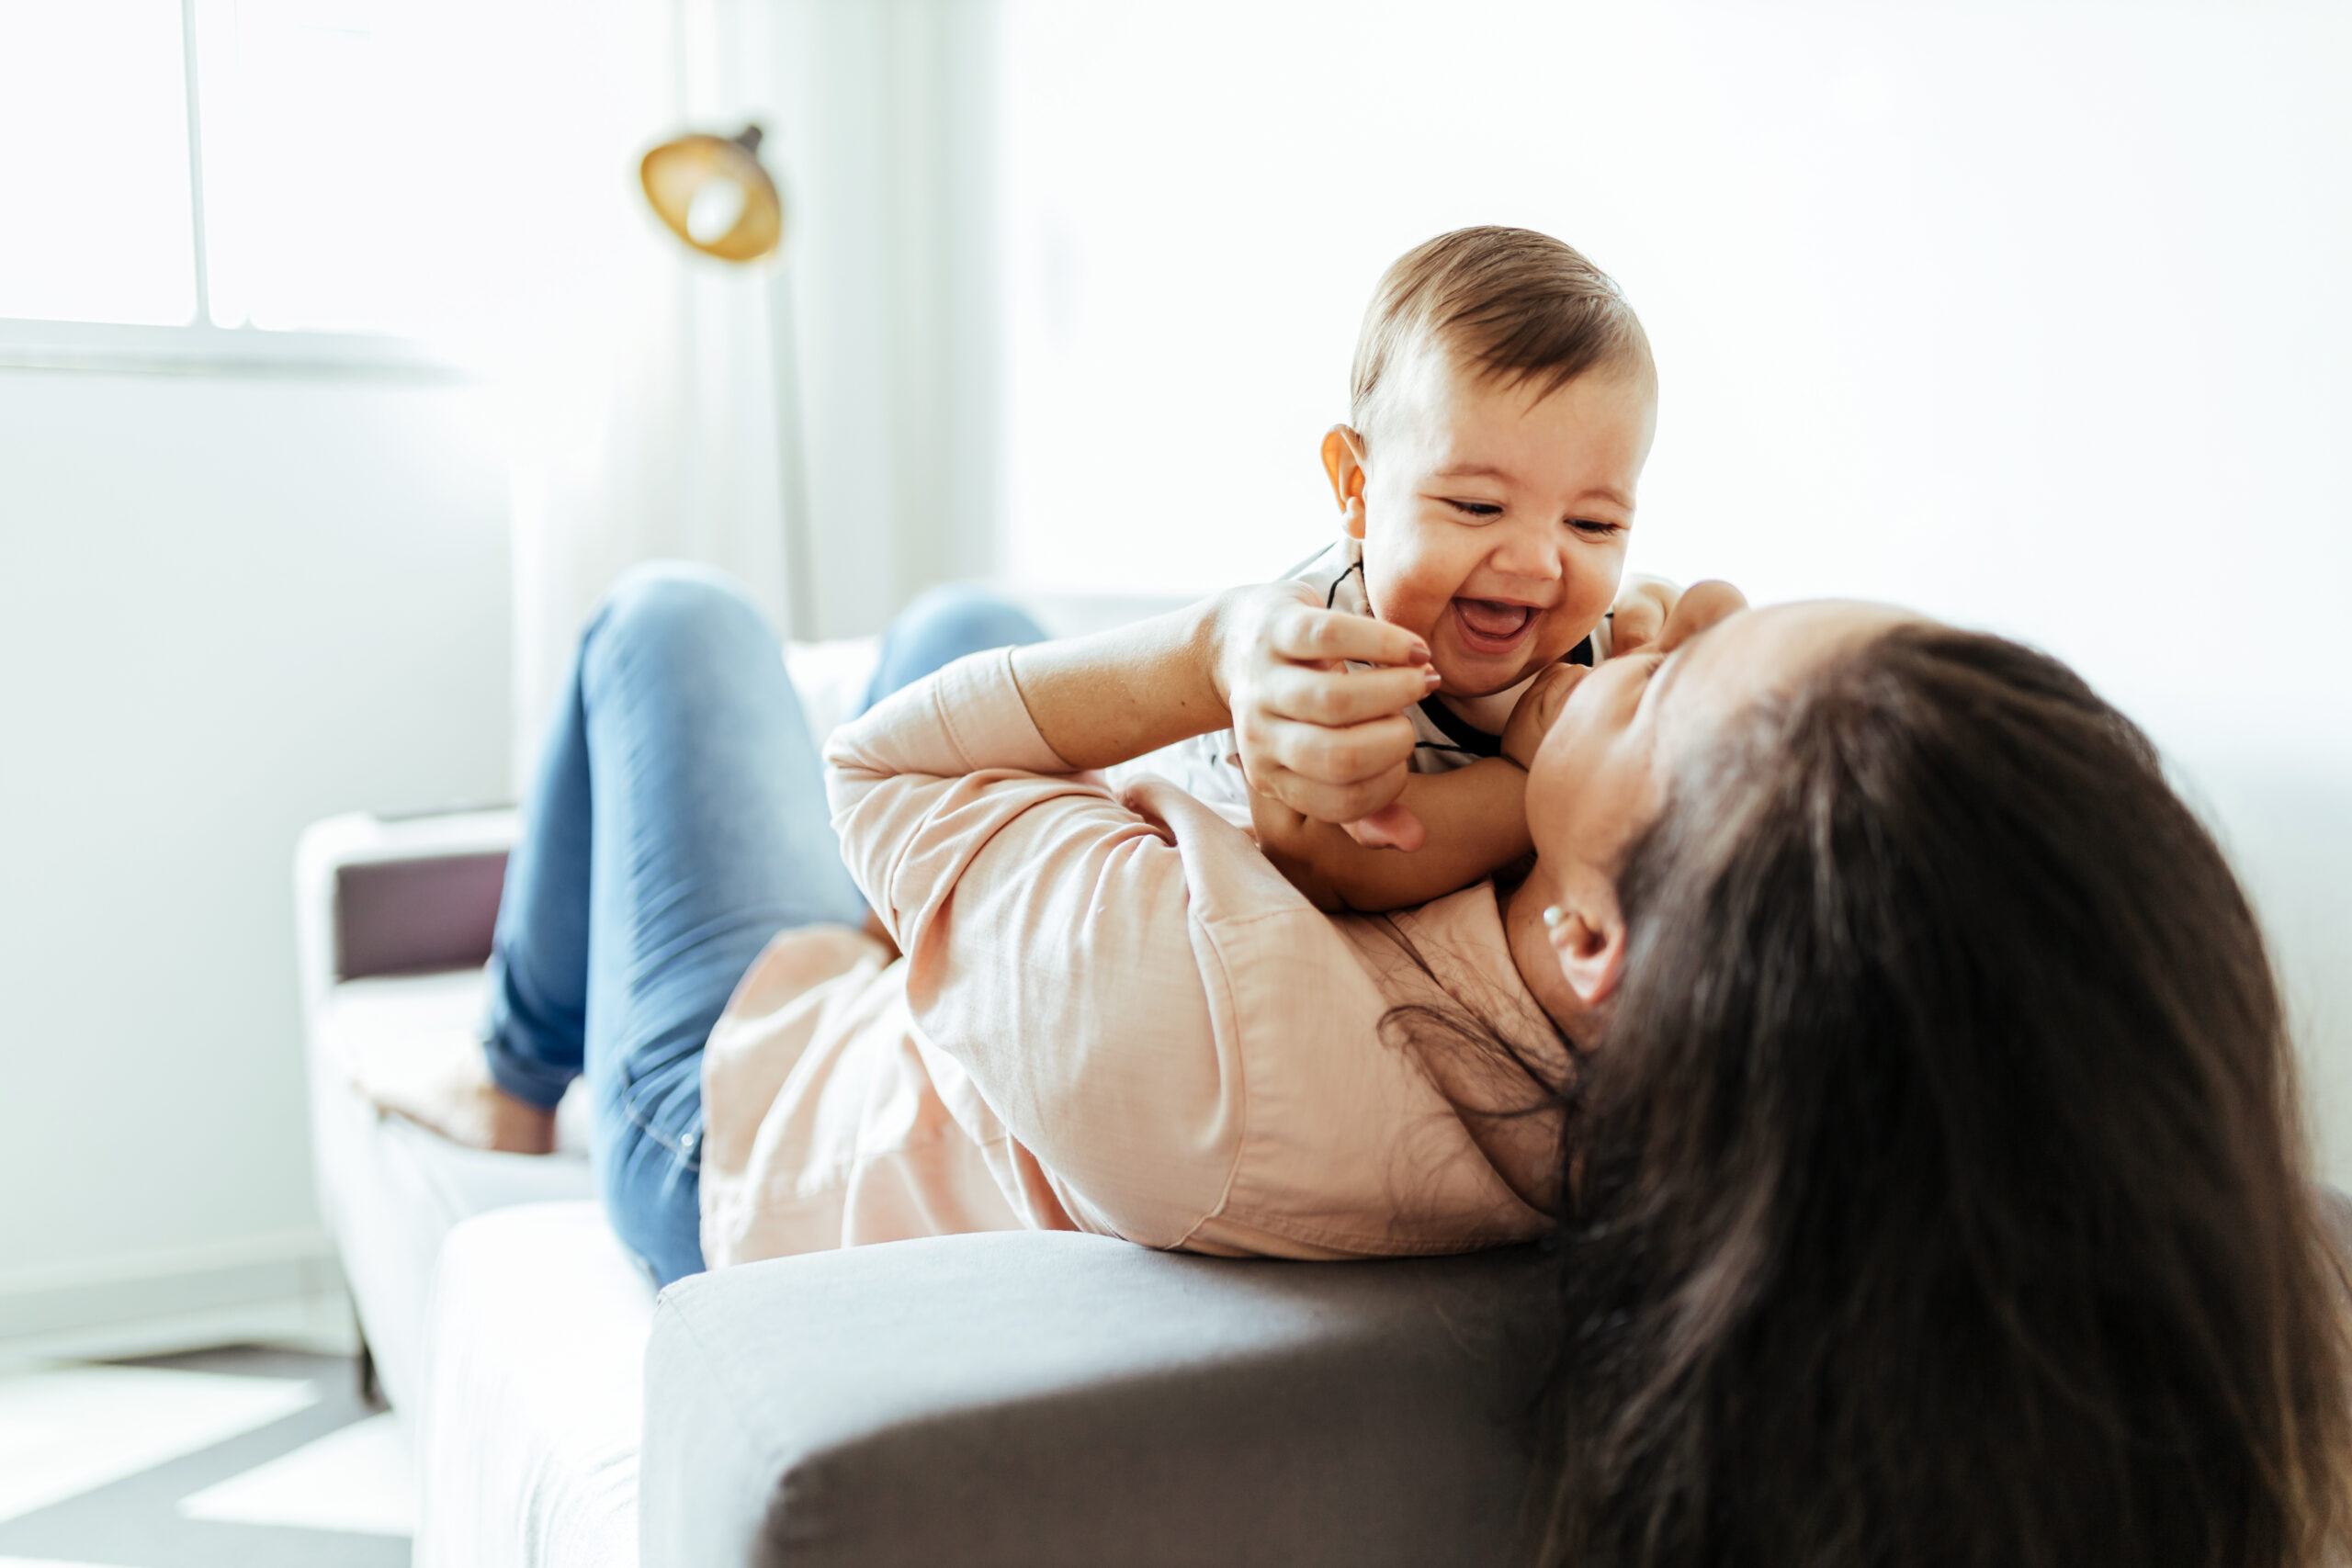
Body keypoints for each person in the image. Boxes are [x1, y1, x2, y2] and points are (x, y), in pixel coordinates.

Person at [367, 567, 2349, 1562]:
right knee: (969, 614)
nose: (1664, 602)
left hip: (757, 1105)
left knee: (666, 621)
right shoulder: (1761, 1072)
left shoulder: (1244, 1062)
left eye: (1663, 665)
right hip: (1021, 1025)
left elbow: (893, 765)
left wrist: (1219, 642)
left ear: (1595, 945)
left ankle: (521, 1073)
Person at [1119, 225, 1682, 912]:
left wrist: (1674, 641)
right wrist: (1541, 774)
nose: (1537, 561)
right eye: (1477, 506)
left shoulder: (1602, 647)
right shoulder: (1321, 646)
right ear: (1356, 489)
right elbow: (1336, 862)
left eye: (1592, 523)